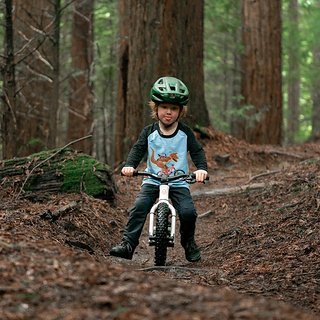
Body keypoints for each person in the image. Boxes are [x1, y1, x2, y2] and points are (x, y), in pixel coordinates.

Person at [110, 76, 208, 262]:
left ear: (181, 111)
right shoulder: (149, 131)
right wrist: (129, 165)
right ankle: (128, 243)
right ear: (156, 108)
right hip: (153, 179)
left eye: (173, 108)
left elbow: (197, 151)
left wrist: (201, 169)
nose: (168, 112)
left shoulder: (185, 133)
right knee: (139, 207)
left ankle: (188, 243)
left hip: (178, 181)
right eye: (164, 107)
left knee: (188, 212)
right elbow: (138, 149)